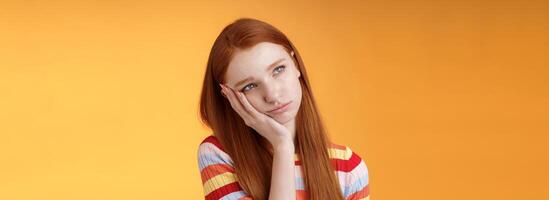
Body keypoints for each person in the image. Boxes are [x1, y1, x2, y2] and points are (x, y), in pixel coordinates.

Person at [197, 18, 370, 200]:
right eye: (249, 86)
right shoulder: (218, 154)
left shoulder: (349, 168)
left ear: (295, 65)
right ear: (229, 97)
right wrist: (283, 146)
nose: (272, 95)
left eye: (278, 70)